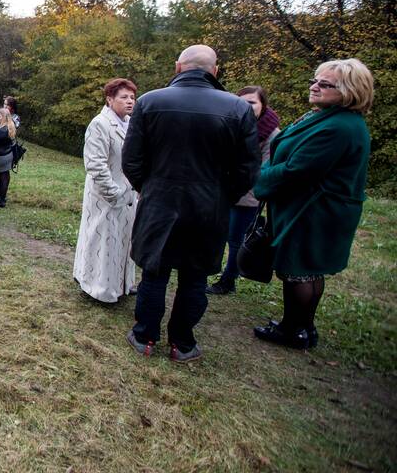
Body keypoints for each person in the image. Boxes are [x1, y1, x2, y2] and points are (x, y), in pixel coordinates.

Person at [121, 45, 259, 362]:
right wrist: (222, 197)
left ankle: (145, 336)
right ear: (215, 71)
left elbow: (132, 160)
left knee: (154, 273)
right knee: (194, 277)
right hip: (208, 207)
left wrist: (152, 188)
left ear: (178, 67)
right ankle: (182, 343)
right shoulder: (239, 109)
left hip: (160, 202)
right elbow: (247, 170)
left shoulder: (150, 101)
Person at [252, 59, 373, 349]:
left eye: (325, 84)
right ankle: (300, 325)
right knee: (306, 269)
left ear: (348, 90)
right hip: (312, 206)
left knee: (299, 268)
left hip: (313, 210)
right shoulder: (327, 117)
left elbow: (299, 170)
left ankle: (294, 329)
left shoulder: (339, 127)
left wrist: (259, 176)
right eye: (314, 81)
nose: (315, 87)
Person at [207, 86, 281, 295]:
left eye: (252, 103)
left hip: (247, 196)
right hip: (222, 192)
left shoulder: (271, 134)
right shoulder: (231, 124)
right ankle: (213, 272)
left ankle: (228, 280)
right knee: (218, 235)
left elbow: (264, 168)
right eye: (242, 102)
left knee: (237, 240)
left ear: (263, 105)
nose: (246, 107)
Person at [73, 79, 139, 304]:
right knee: (102, 241)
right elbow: (95, 164)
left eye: (132, 97)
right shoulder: (100, 124)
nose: (129, 101)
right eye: (124, 97)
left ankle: (123, 284)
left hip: (129, 196)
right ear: (110, 99)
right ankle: (98, 287)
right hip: (105, 196)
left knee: (124, 240)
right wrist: (113, 193)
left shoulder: (131, 124)